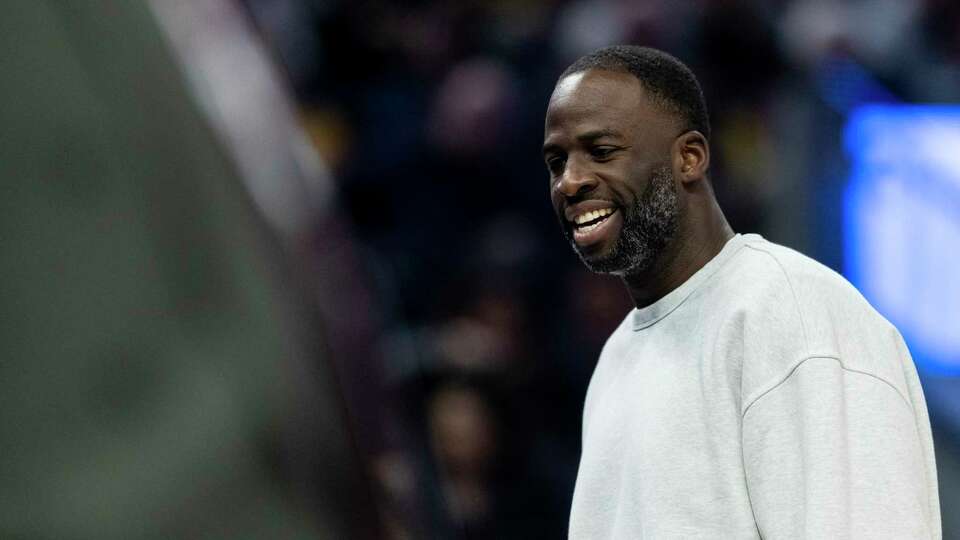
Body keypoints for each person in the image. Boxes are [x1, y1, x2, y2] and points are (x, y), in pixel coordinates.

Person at [542, 45, 940, 539]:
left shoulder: (793, 312)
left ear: (689, 157)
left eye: (601, 151)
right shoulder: (617, 357)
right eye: (557, 161)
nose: (570, 182)